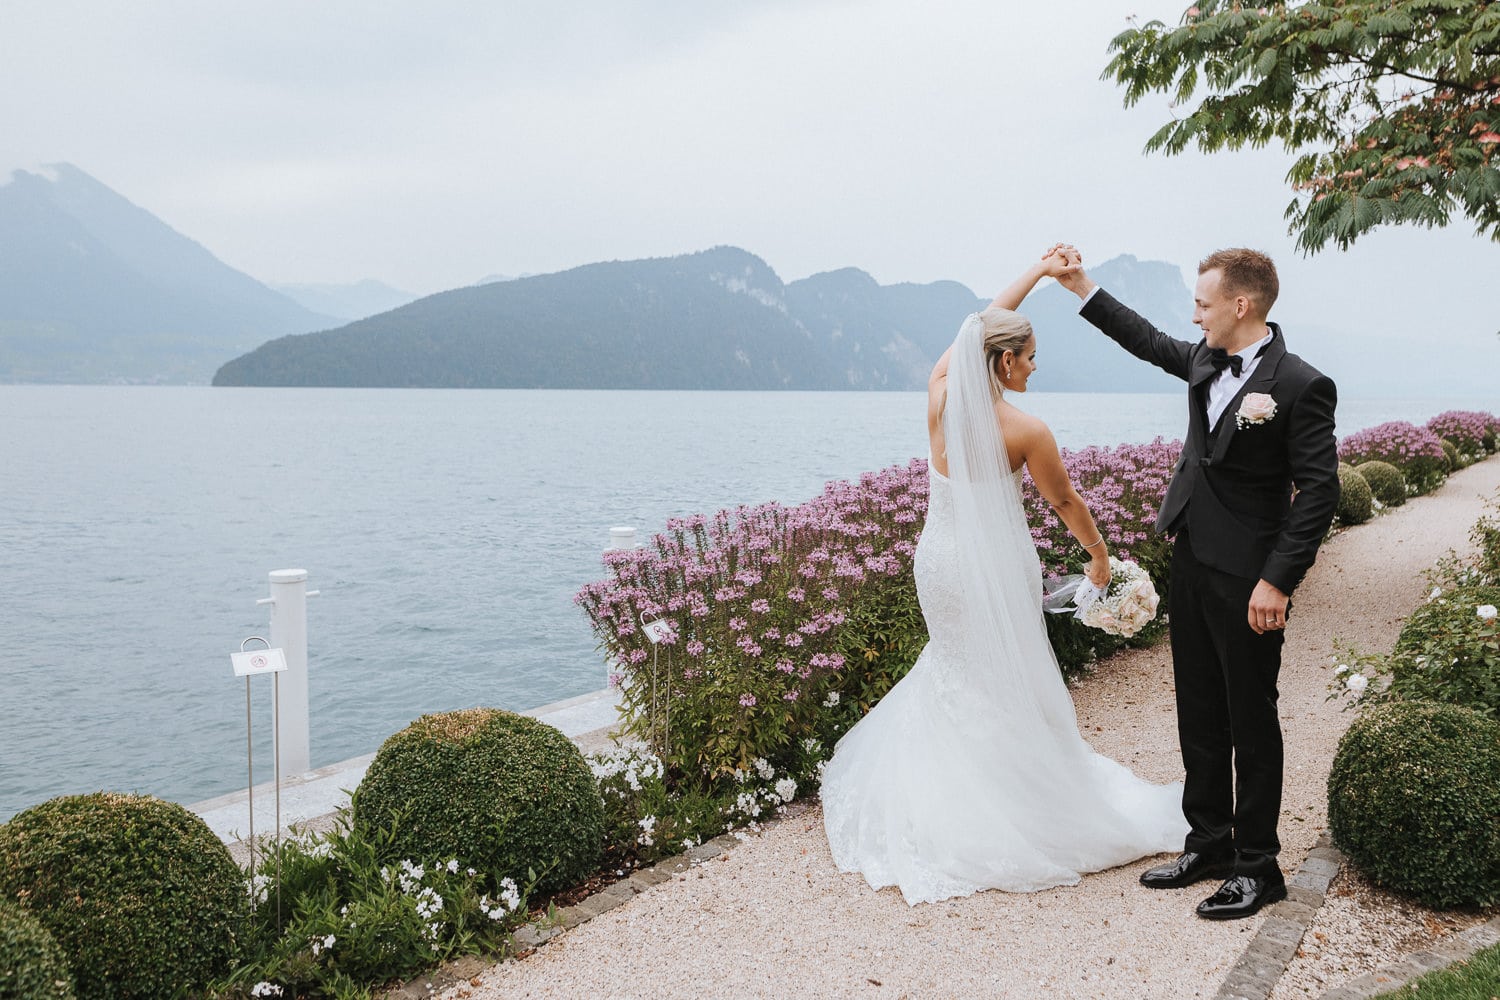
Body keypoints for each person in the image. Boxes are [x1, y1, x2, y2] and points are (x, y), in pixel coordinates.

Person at [820, 248, 1187, 906]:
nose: (1035, 366)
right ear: (1003, 362)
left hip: (939, 563)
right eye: (1030, 356)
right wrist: (1099, 557)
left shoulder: (938, 398)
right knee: (1006, 675)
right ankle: (1015, 803)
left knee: (959, 673)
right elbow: (1066, 504)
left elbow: (976, 326)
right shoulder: (1026, 430)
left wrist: (1038, 275)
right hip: (995, 565)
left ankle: (950, 798)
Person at [1053, 246, 1338, 920]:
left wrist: (1277, 581)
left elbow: (1320, 492)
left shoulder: (1301, 384)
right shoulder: (1205, 360)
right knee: (1199, 709)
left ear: (1242, 305)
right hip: (1191, 558)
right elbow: (1147, 340)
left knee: (1250, 718)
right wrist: (1081, 287)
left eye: (1203, 304)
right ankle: (1207, 841)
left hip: (1250, 576)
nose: (1194, 315)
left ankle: (1258, 866)